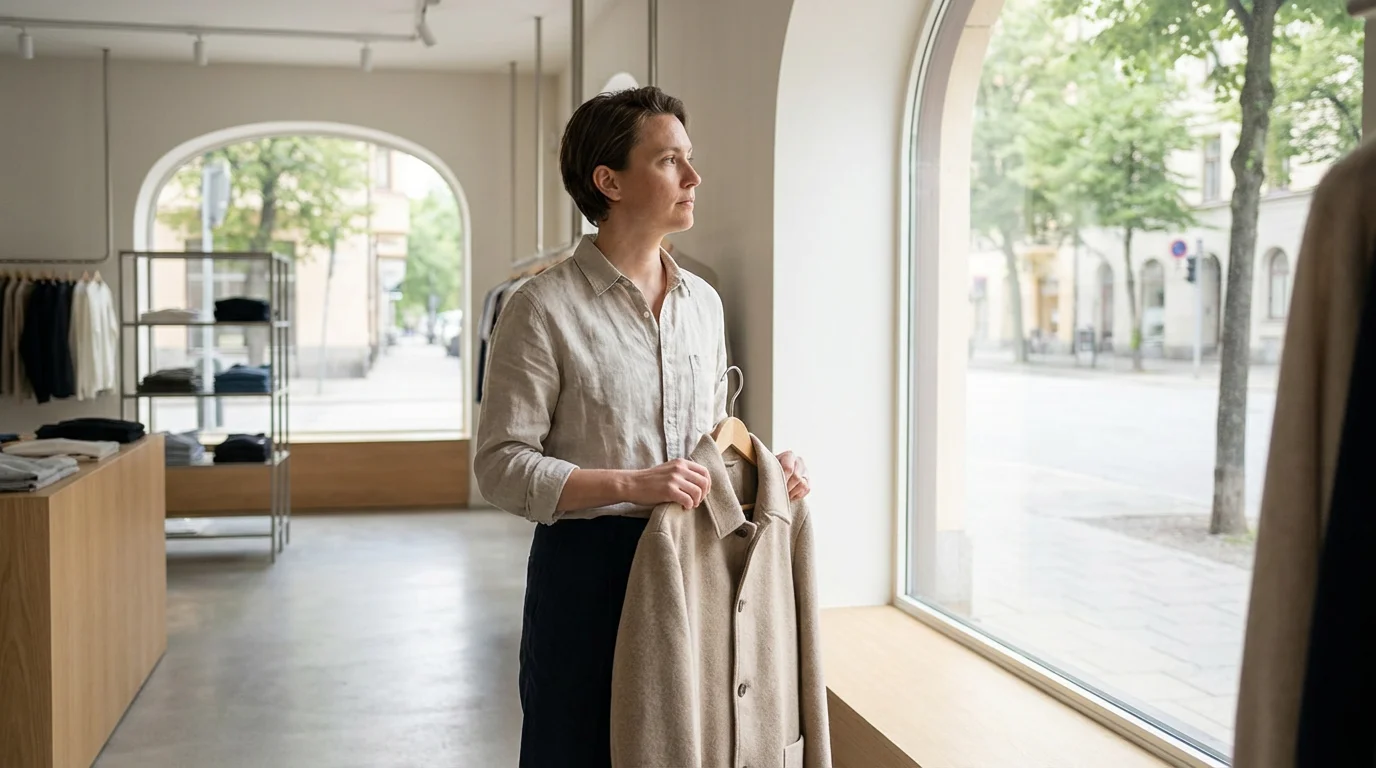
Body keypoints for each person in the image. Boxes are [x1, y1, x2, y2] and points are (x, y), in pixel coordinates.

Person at [473, 86, 813, 767]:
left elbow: (712, 441)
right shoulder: (538, 308)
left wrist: (766, 472)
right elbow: (501, 465)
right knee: (577, 749)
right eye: (669, 161)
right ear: (609, 181)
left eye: (689, 159)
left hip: (694, 565)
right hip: (588, 576)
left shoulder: (705, 305)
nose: (693, 178)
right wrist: (634, 482)